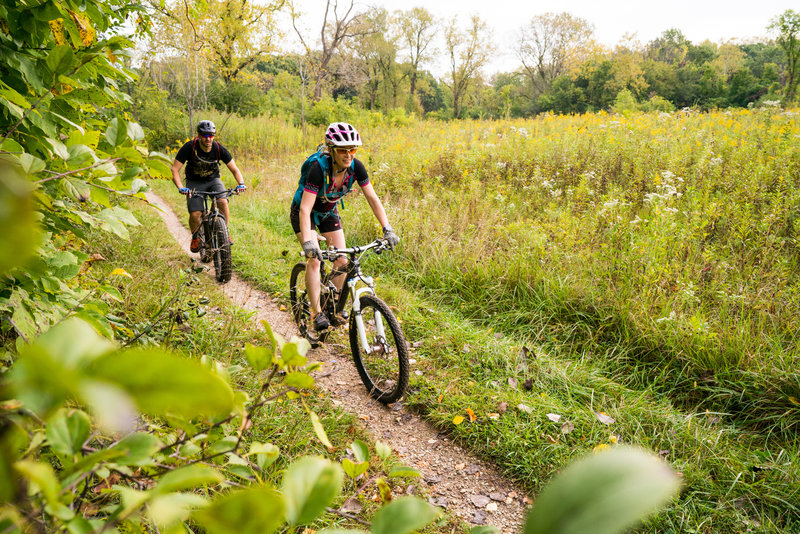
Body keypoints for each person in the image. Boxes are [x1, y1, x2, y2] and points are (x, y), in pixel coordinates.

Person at [291, 122, 399, 331]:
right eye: (343, 150)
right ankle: (316, 313)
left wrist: (388, 229)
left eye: (353, 149)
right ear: (331, 150)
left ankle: (333, 306)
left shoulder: (356, 167)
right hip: (306, 213)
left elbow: (373, 199)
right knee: (314, 260)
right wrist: (308, 242)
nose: (348, 154)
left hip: (329, 211)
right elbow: (305, 209)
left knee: (342, 260)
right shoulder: (317, 169)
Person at [171, 120, 246, 252]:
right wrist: (181, 187)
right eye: (205, 135)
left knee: (222, 201)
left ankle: (224, 232)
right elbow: (174, 169)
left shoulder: (218, 149)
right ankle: (195, 237)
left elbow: (235, 169)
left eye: (211, 135)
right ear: (199, 135)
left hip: (213, 181)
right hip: (194, 182)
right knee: (195, 214)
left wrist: (241, 184)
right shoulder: (190, 147)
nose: (208, 139)